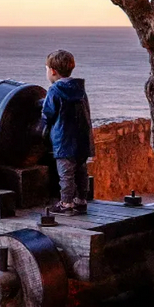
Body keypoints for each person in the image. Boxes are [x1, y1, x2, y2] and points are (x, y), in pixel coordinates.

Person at [42, 50, 95, 215]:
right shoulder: (79, 88)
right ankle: (81, 200)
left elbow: (48, 113)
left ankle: (66, 203)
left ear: (52, 71)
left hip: (64, 139)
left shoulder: (55, 90)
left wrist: (44, 121)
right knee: (81, 170)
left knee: (66, 173)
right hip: (82, 138)